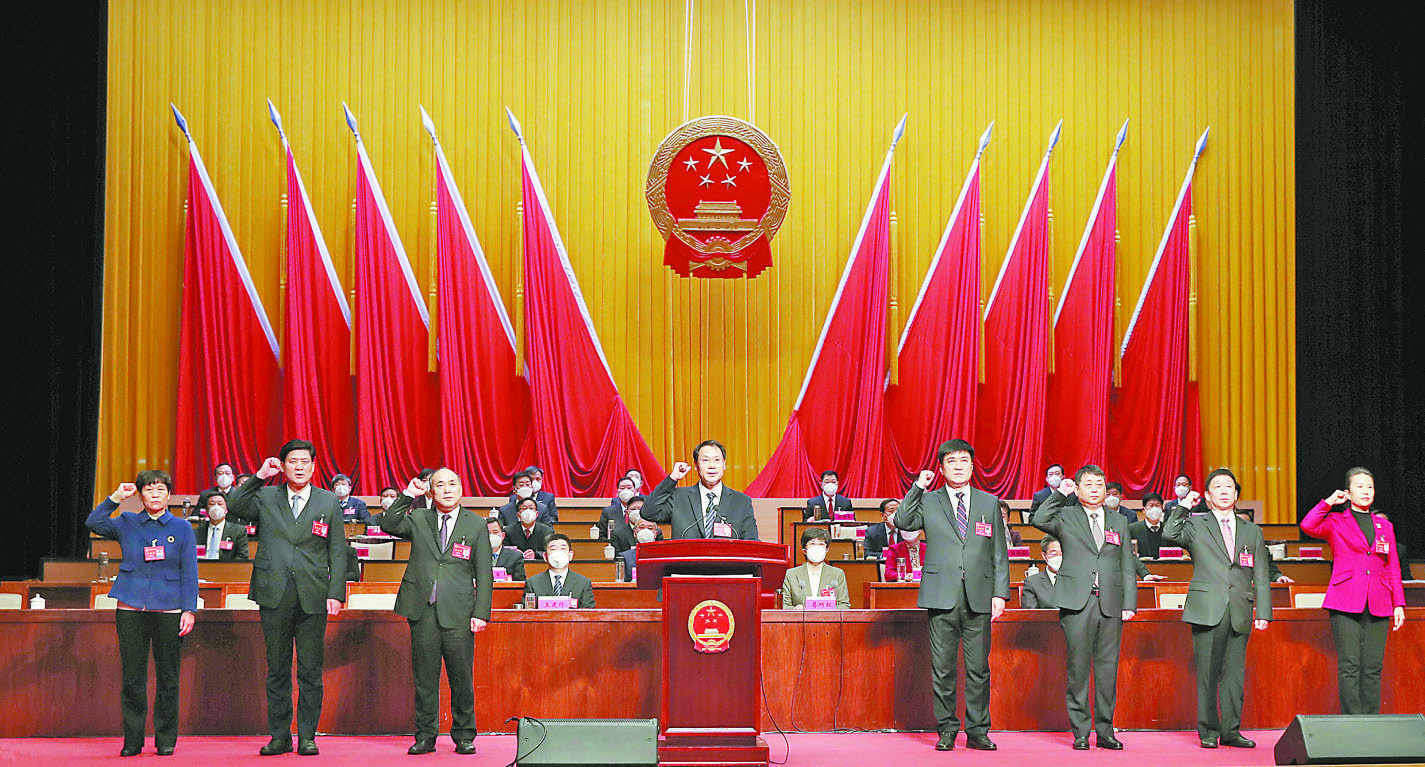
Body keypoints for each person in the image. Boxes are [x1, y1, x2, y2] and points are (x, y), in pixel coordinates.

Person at [226, 439, 347, 757]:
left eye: (305, 461)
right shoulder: (266, 496)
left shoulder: (328, 501)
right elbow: (234, 505)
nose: (299, 467)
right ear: (282, 466)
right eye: (292, 461)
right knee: (277, 670)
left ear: (314, 466)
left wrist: (336, 593)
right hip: (273, 592)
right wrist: (259, 476)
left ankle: (307, 736)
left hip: (313, 594)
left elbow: (337, 549)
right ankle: (279, 736)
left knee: (310, 671)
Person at [895, 439, 1009, 752]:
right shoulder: (929, 501)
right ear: (942, 469)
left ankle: (978, 731)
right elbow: (903, 521)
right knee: (943, 668)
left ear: (972, 466)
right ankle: (946, 729)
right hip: (941, 594)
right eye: (951, 462)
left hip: (979, 595)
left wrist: (1000, 594)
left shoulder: (989, 502)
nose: (958, 466)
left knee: (978, 669)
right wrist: (918, 486)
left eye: (963, 461)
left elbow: (999, 552)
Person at [381, 468, 493, 755]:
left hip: (459, 612)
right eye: (440, 485)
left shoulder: (475, 524)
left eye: (452, 484)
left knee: (461, 679)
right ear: (431, 492)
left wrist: (481, 612)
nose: (447, 489)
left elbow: (484, 572)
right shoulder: (419, 518)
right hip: (423, 610)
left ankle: (464, 735)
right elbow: (389, 523)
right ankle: (425, 736)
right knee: (425, 680)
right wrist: (408, 494)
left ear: (461, 489)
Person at [86, 470, 198, 757]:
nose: (155, 494)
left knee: (168, 677)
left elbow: (190, 572)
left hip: (170, 609)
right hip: (131, 607)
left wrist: (189, 609)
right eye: (148, 489)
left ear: (169, 495)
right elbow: (94, 522)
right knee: (133, 677)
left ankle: (165, 740)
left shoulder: (182, 527)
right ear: (140, 495)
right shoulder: (127, 522)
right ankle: (133, 740)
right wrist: (115, 498)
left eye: (160, 489)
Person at [1163, 469, 1272, 749]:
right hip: (1207, 608)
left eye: (1229, 486)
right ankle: (1209, 731)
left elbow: (1261, 573)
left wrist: (1263, 612)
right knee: (1208, 674)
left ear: (1236, 494)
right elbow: (1169, 533)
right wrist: (1183, 506)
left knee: (1234, 675)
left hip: (1240, 607)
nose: (1224, 490)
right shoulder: (1195, 524)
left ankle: (1231, 731)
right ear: (1208, 496)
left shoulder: (1251, 530)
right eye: (1217, 487)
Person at [1033, 466, 1136, 750]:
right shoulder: (1066, 515)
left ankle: (1105, 731)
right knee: (1078, 669)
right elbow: (1038, 519)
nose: (1094, 489)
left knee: (1107, 671)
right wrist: (1060, 495)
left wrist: (1129, 602)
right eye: (1088, 484)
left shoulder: (1119, 521)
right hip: (1077, 601)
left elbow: (1127, 564)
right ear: (1077, 489)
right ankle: (1080, 732)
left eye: (1099, 484)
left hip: (1111, 603)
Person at [1300, 467, 1407, 715]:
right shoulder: (1336, 521)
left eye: (1370, 486)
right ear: (1347, 493)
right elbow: (1308, 525)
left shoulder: (1384, 526)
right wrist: (1329, 502)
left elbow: (1393, 566)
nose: (1366, 491)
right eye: (1360, 486)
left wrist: (1398, 603)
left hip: (1379, 600)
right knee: (1350, 665)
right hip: (1345, 599)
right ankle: (1352, 722)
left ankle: (1371, 721)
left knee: (1373, 667)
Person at [643, 440, 758, 539]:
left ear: (724, 464)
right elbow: (648, 513)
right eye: (705, 460)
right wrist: (672, 479)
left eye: (717, 460)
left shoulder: (741, 502)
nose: (711, 466)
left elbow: (751, 541)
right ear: (696, 465)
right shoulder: (678, 497)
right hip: (687, 558)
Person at [780, 527, 851, 608]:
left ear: (827, 549)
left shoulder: (837, 574)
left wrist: (829, 609)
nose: (817, 548)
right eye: (812, 544)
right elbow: (784, 606)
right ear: (804, 550)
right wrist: (796, 609)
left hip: (828, 616)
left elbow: (844, 605)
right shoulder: (791, 574)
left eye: (821, 544)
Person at [525, 534, 595, 607]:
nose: (558, 553)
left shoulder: (583, 583)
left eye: (563, 549)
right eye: (553, 549)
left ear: (570, 555)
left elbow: (587, 611)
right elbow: (528, 611)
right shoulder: (532, 583)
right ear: (545, 557)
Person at [201, 494, 249, 560]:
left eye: (220, 504)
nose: (216, 507)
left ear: (226, 510)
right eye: (212, 504)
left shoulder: (238, 531)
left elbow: (242, 556)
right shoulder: (197, 532)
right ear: (206, 510)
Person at [598, 475, 639, 549]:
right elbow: (601, 535)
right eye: (622, 488)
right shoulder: (608, 512)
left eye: (629, 488)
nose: (626, 491)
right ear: (617, 492)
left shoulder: (643, 510)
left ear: (635, 491)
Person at [1021, 536, 1062, 608]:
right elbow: (1030, 613)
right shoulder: (1032, 582)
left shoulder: (1078, 579)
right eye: (1054, 554)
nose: (1059, 557)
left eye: (1062, 553)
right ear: (1044, 555)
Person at [621, 517, 663, 582]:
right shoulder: (625, 556)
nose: (646, 531)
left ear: (655, 534)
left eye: (650, 528)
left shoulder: (663, 556)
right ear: (635, 533)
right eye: (641, 527)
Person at [487, 517, 528, 582]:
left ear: (503, 535)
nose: (492, 536)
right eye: (488, 533)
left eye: (495, 532)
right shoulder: (476, 555)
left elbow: (520, 582)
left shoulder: (515, 556)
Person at [1128, 493, 1167, 558]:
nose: (1154, 509)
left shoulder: (1168, 528)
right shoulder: (1132, 529)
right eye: (1151, 506)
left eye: (1157, 505)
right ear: (1144, 510)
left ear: (1162, 509)